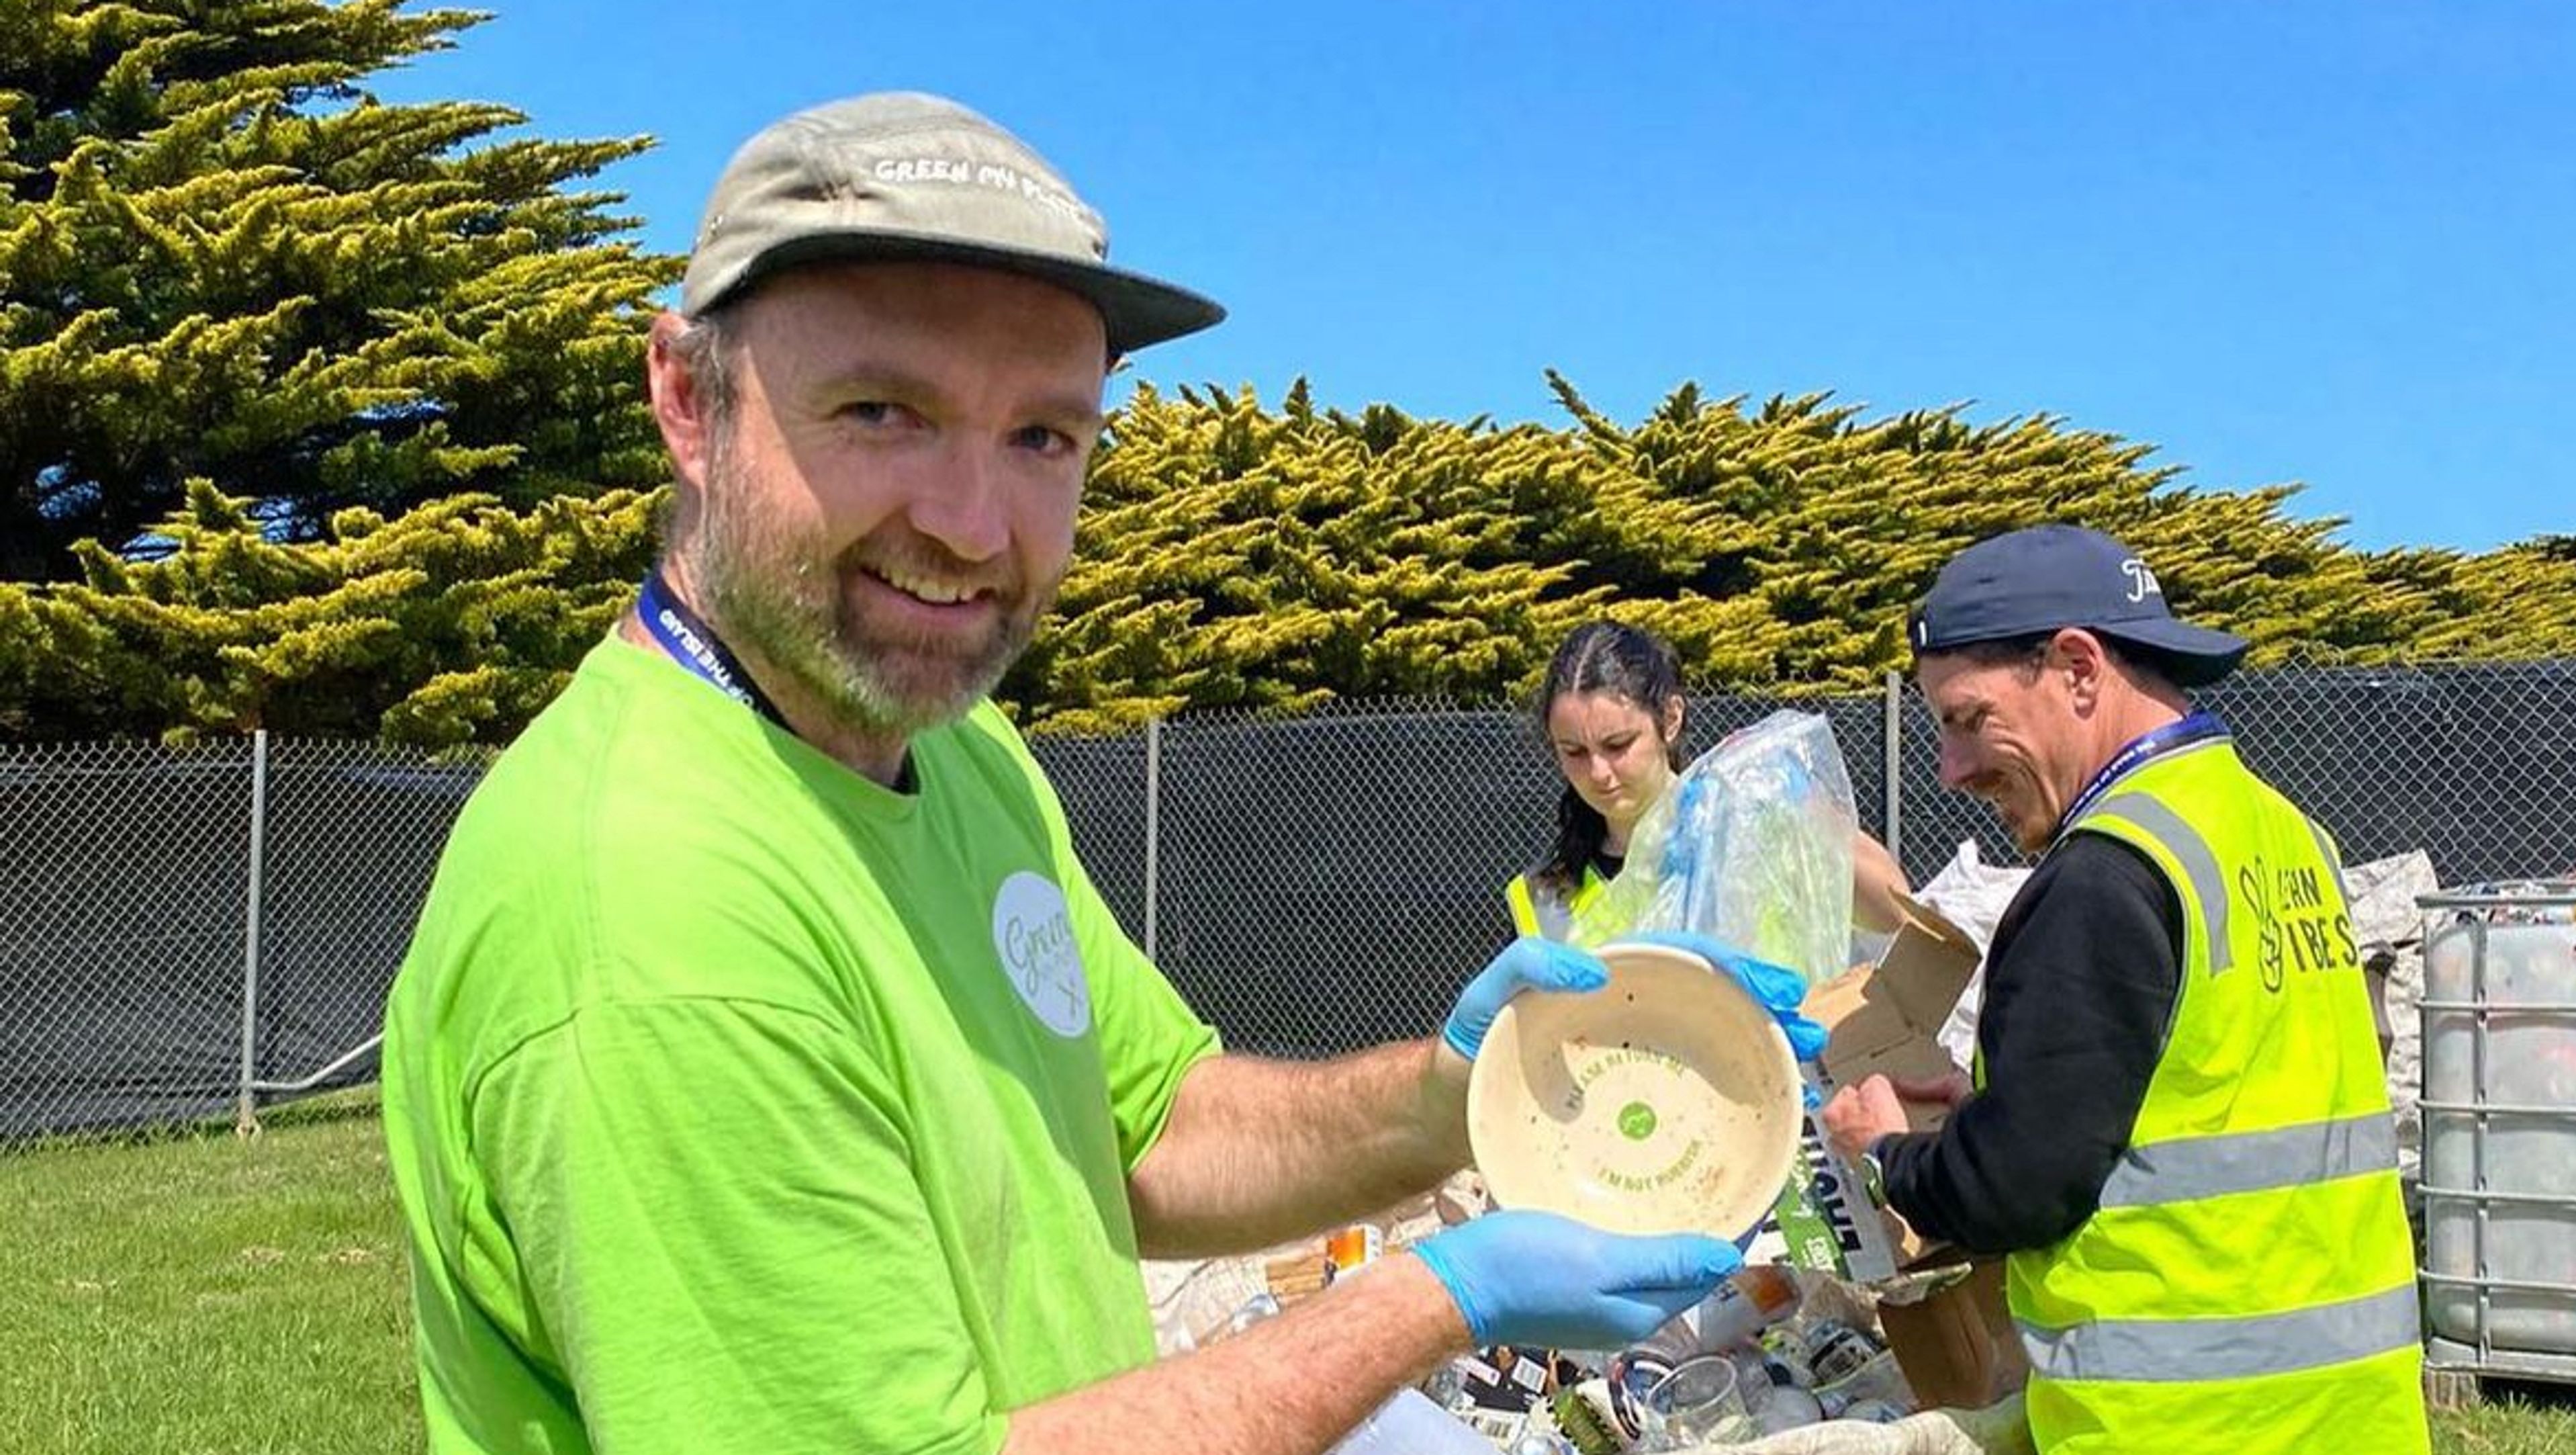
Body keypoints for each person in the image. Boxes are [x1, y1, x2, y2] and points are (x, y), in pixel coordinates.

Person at [380, 92, 1814, 1455]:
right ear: (689, 400)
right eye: (882, 411)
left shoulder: (957, 750)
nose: (967, 524)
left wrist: (1473, 1095)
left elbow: (1149, 1132)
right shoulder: (656, 917)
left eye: (1042, 437)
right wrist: (1436, 1299)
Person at [1821, 525, 2428, 1454]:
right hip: (2351, 1411)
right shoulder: (2282, 830)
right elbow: (2209, 1091)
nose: (1952, 768)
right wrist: (2003, 1108)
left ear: (2077, 667)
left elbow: (2020, 1189)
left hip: (2180, 1418)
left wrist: (1888, 1155)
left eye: (1967, 718)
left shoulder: (2104, 872)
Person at [1508, 619, 1915, 945]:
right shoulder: (1544, 899)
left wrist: (1805, 810)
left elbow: (1895, 914)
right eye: (1574, 752)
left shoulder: (1746, 827)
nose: (1599, 772)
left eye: (1618, 744)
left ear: (1670, 719)